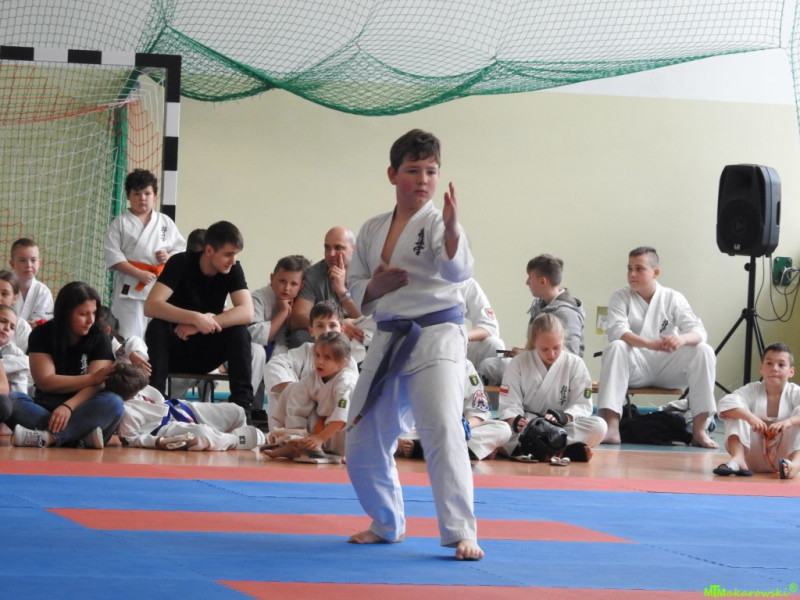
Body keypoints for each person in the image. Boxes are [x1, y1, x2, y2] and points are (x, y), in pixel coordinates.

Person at [345, 129, 483, 560]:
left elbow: (457, 271)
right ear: (392, 174)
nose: (423, 179)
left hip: (437, 335)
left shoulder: (440, 223)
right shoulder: (372, 228)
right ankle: (386, 523)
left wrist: (454, 228)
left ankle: (461, 531)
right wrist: (375, 286)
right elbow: (354, 287)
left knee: (442, 429)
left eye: (431, 171)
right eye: (413, 170)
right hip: (389, 336)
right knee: (361, 437)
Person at [597, 246, 717, 448]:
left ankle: (699, 431)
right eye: (629, 268)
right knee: (616, 346)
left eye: (639, 269)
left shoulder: (672, 297)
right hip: (636, 366)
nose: (632, 274)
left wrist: (681, 339)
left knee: (704, 350)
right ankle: (612, 428)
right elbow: (617, 331)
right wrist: (650, 344)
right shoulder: (620, 296)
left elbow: (698, 331)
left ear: (655, 272)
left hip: (668, 366)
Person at [144, 221, 255, 421]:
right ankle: (155, 402)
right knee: (157, 327)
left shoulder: (234, 269)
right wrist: (195, 318)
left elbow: (247, 312)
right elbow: (151, 306)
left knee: (240, 332)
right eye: (228, 254)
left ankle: (242, 407)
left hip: (206, 351)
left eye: (236, 255)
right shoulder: (180, 262)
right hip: (175, 349)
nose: (233, 260)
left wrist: (202, 325)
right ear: (209, 250)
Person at [6, 281, 124, 448]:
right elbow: (46, 382)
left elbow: (97, 385)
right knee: (11, 401)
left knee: (114, 402)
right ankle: (81, 437)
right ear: (66, 314)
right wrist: (91, 378)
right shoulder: (41, 334)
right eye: (83, 314)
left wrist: (69, 406)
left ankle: (48, 438)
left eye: (93, 313)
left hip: (85, 407)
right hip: (48, 409)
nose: (90, 320)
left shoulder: (99, 337)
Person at [498, 313, 606, 462]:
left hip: (560, 427)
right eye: (544, 349)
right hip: (528, 425)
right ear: (534, 342)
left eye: (556, 347)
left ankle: (530, 449)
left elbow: (582, 404)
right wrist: (517, 420)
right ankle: (564, 450)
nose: (552, 354)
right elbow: (509, 402)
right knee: (501, 431)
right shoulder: (518, 362)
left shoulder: (575, 363)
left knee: (599, 426)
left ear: (563, 339)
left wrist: (563, 416)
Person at [104, 169, 186, 340]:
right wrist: (138, 273)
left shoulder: (165, 222)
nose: (142, 198)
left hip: (159, 288)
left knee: (157, 337)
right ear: (128, 196)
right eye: (137, 193)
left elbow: (181, 251)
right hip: (130, 288)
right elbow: (113, 255)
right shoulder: (120, 223)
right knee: (128, 336)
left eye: (147, 193)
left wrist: (169, 257)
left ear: (155, 196)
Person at [107, 362, 265, 451]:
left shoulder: (138, 385)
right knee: (202, 434)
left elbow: (133, 342)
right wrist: (157, 441)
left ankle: (228, 436)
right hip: (164, 429)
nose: (142, 390)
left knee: (236, 411)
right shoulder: (127, 411)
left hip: (179, 408)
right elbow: (130, 439)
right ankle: (236, 440)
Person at [480, 253, 584, 386]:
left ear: (542, 281)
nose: (527, 282)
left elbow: (570, 357)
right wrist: (525, 353)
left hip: (554, 378)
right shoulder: (542, 307)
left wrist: (525, 356)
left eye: (530, 277)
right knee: (492, 364)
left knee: (490, 367)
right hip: (539, 370)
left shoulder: (567, 313)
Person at [263, 331, 357, 461]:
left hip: (347, 428)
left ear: (342, 363)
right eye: (317, 355)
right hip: (323, 424)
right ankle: (293, 446)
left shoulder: (346, 382)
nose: (320, 361)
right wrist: (297, 435)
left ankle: (351, 453)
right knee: (292, 389)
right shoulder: (313, 377)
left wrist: (320, 438)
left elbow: (342, 416)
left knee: (344, 425)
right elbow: (297, 401)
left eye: (327, 358)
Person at [263, 300, 355, 431]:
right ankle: (290, 434)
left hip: (332, 419)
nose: (326, 331)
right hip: (302, 412)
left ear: (342, 330)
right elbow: (274, 366)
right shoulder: (305, 351)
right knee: (273, 369)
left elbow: (348, 396)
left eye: (332, 325)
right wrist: (297, 392)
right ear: (311, 330)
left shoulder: (347, 360)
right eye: (320, 326)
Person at [714, 342, 800, 479]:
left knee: (797, 418)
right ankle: (738, 459)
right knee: (738, 410)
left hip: (785, 458)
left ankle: (795, 465)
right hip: (752, 455)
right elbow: (725, 402)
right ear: (761, 368)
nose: (774, 369)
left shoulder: (795, 392)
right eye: (769, 363)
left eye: (781, 365)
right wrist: (750, 417)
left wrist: (788, 422)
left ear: (791, 371)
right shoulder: (752, 390)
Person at [397, 359, 511, 461]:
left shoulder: (465, 365)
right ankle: (471, 451)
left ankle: (420, 450)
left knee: (502, 429)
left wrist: (463, 427)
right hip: (417, 430)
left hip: (454, 431)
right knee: (397, 434)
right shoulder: (412, 361)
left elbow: (478, 412)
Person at [249, 255, 309, 407]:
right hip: (250, 352)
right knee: (257, 351)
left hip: (278, 349)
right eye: (282, 281)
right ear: (272, 278)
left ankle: (281, 411)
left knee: (282, 357)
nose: (287, 288)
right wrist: (283, 313)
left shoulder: (302, 302)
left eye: (293, 284)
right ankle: (247, 405)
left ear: (302, 285)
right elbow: (254, 336)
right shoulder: (258, 298)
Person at [287, 226, 363, 348]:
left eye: (338, 248)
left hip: (356, 333)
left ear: (354, 249)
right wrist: (336, 325)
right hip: (324, 334)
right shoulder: (313, 274)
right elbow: (297, 318)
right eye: (327, 248)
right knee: (300, 337)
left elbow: (366, 319)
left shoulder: (367, 273)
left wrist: (342, 292)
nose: (331, 254)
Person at [460, 278, 505, 379]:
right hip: (426, 345)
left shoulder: (465, 284)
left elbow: (490, 327)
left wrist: (462, 336)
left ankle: (481, 386)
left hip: (455, 343)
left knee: (494, 344)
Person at [9, 238, 53, 328]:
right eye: (22, 260)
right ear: (12, 264)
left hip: (33, 337)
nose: (28, 265)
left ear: (39, 263)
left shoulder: (43, 292)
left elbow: (43, 326)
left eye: (33, 260)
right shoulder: (4, 286)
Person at [96, 305, 151, 375]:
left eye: (92, 330)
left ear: (107, 330)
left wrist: (132, 354)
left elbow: (134, 341)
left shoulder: (120, 351)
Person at [0, 305, 33, 394]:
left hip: (18, 396)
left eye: (12, 327)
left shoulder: (14, 350)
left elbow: (28, 365)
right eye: (2, 321)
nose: (7, 328)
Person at [0, 269, 32, 352]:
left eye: (4, 294)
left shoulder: (22, 328)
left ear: (15, 298)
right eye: (2, 321)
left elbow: (25, 359)